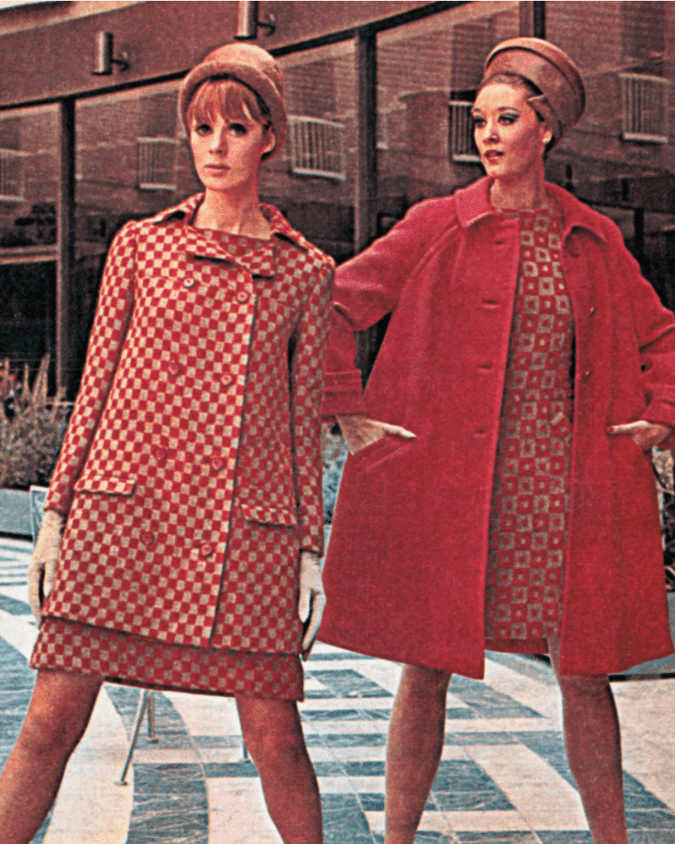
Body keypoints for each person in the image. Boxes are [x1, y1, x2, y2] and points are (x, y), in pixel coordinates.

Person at [318, 37, 675, 844]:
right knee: (425, 666)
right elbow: (330, 303)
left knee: (583, 673)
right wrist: (347, 410)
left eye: (505, 119)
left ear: (544, 130)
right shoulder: (435, 224)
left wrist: (661, 411)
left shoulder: (591, 235)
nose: (486, 135)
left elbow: (661, 335)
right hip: (453, 487)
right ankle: (397, 839)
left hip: (562, 489)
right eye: (478, 120)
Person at [0, 42, 334, 844]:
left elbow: (300, 422)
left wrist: (308, 552)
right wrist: (56, 516)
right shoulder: (139, 245)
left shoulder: (305, 271)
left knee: (277, 739)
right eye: (201, 129)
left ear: (269, 139)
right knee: (48, 725)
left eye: (236, 129)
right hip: (120, 522)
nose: (216, 147)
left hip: (242, 536)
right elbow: (96, 386)